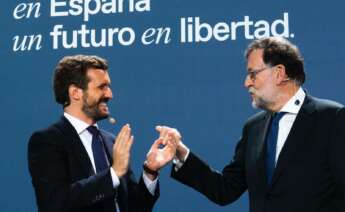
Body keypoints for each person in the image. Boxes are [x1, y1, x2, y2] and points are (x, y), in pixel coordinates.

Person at [157, 37, 345, 212]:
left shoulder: (332, 118)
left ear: (279, 73)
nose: (246, 83)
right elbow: (225, 190)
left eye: (253, 74)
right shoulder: (253, 128)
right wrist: (181, 152)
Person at [28, 55, 177, 212]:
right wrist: (113, 174)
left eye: (109, 87)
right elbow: (55, 203)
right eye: (102, 87)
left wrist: (150, 171)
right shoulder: (48, 141)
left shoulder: (110, 141)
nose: (110, 95)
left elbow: (134, 207)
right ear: (75, 93)